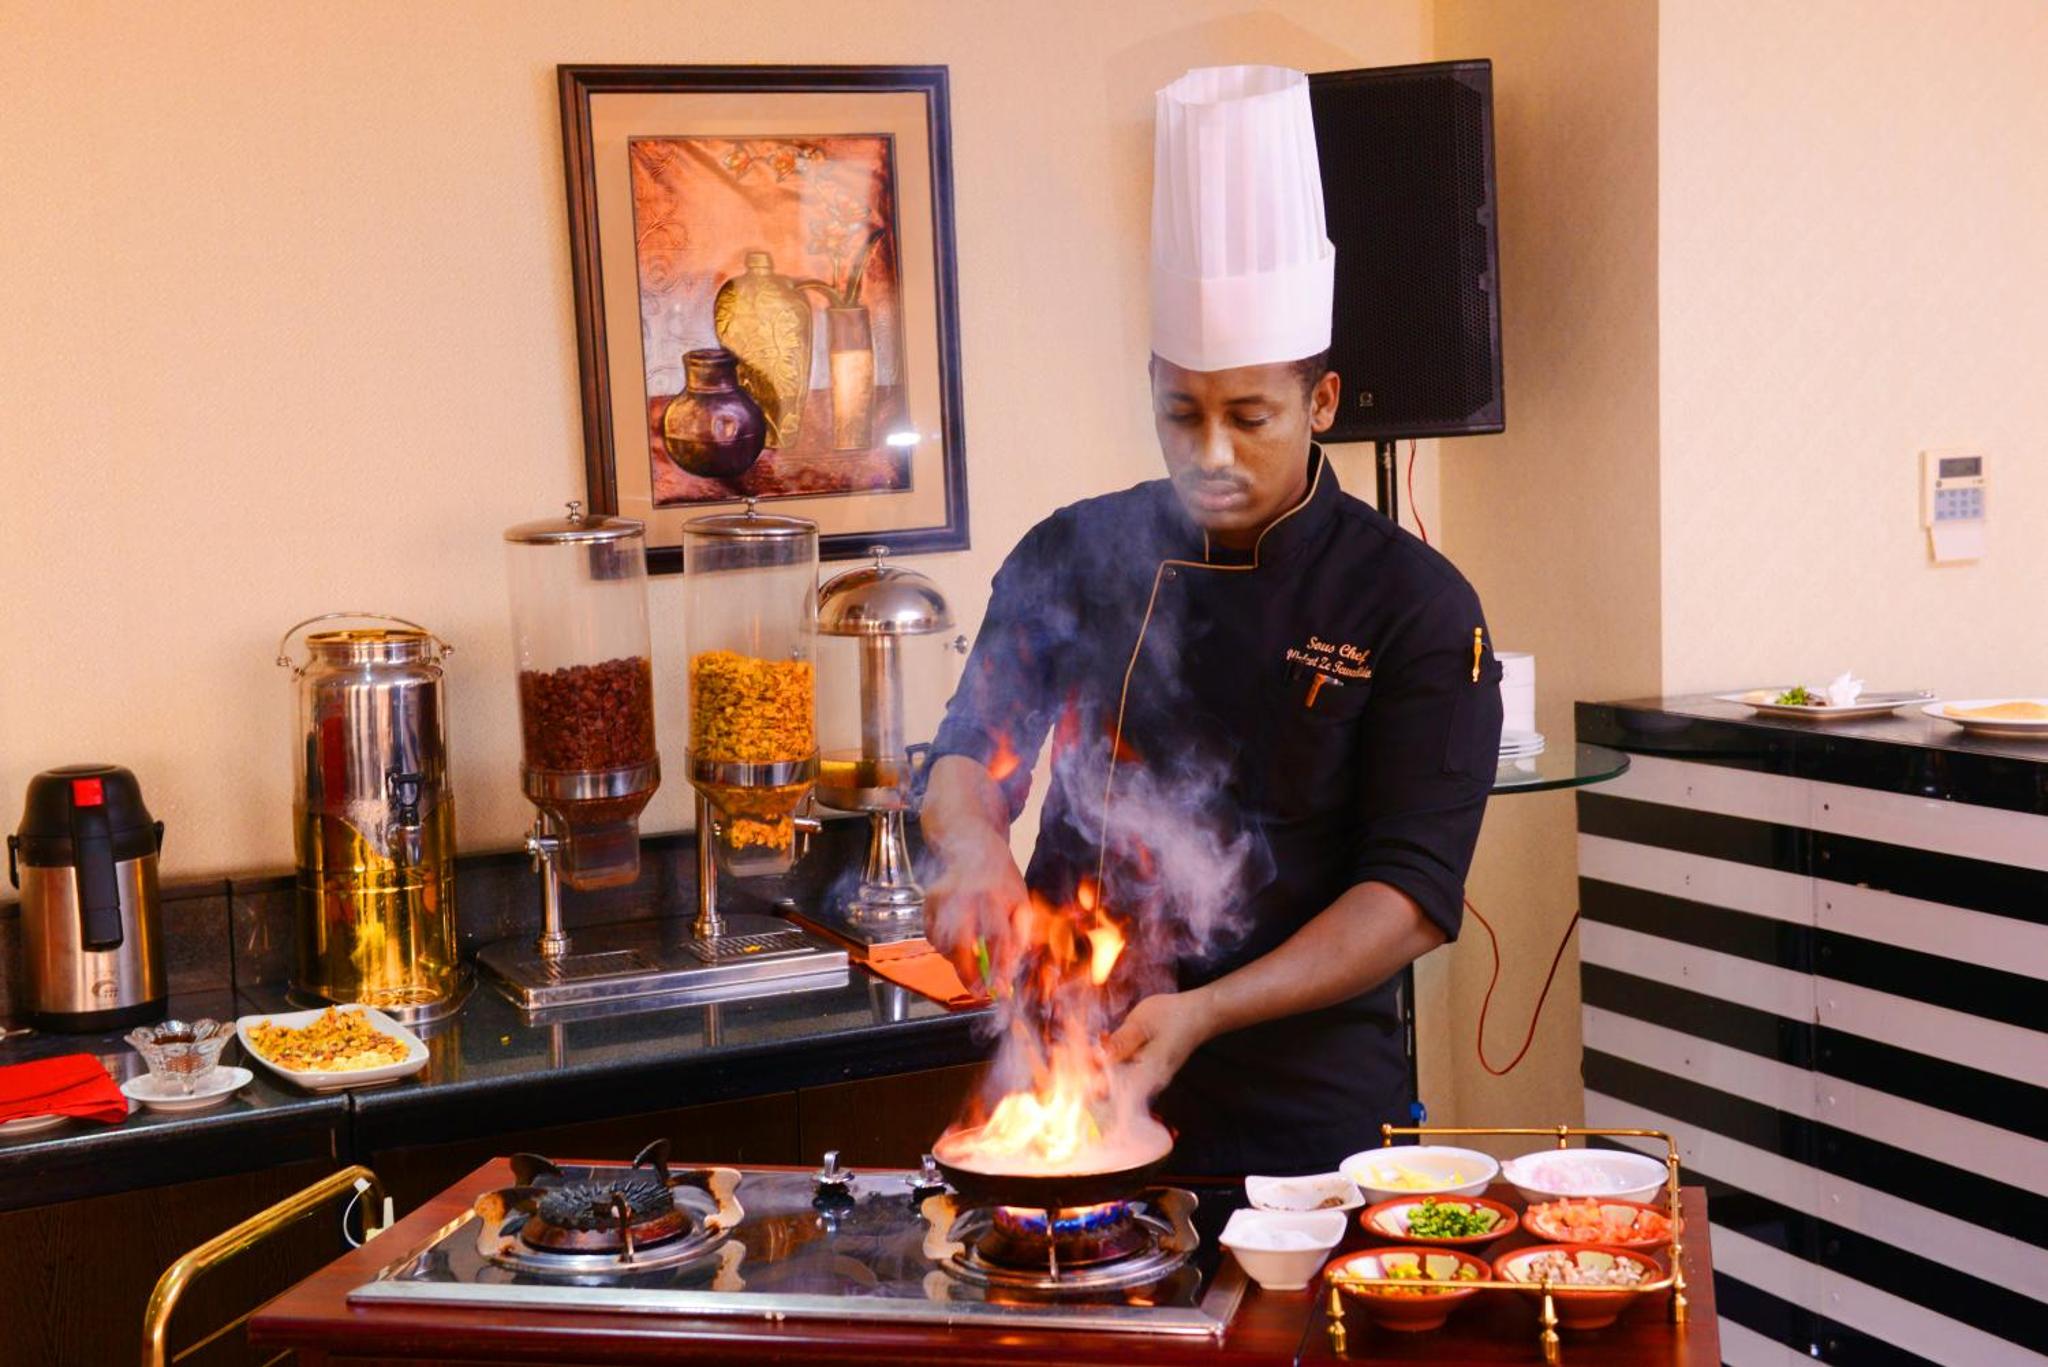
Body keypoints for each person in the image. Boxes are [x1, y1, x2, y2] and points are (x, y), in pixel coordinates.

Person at [921, 65, 1502, 1175]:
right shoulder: (1071, 552)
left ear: (1320, 403)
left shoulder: (1414, 603)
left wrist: (1203, 1011)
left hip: (1304, 1117)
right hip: (1071, 1078)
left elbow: (1410, 896)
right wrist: (972, 848)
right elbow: (967, 753)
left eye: (1249, 415)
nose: (1210, 454)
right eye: (1179, 412)